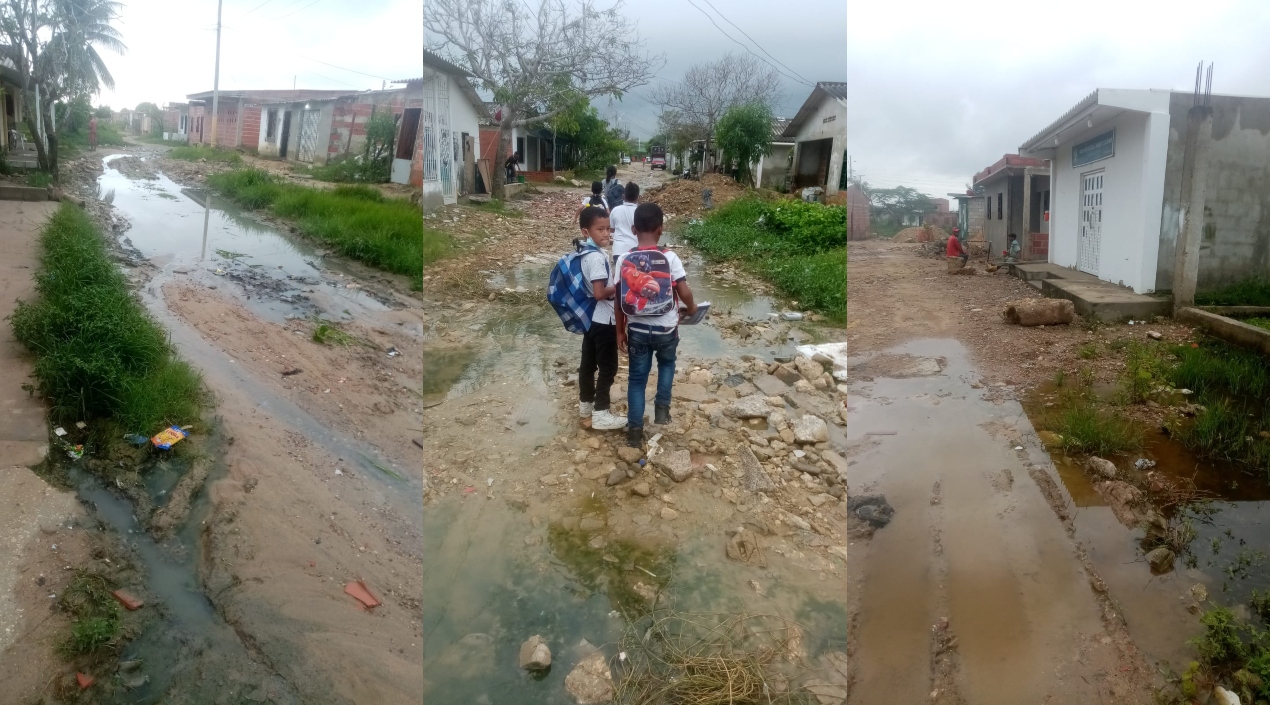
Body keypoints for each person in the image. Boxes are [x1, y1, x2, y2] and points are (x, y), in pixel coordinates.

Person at [615, 203, 696, 448]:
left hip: (638, 331)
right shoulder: (670, 257)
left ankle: (635, 432)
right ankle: (662, 411)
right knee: (667, 365)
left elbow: (619, 302)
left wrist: (619, 330)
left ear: (633, 229)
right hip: (667, 330)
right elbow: (683, 291)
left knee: (637, 380)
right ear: (661, 229)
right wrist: (691, 309)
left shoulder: (624, 260)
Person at [575, 206, 628, 431]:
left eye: (608, 229)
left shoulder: (583, 252)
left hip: (590, 318)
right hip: (604, 319)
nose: (606, 234)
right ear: (586, 232)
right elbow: (599, 293)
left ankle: (586, 405)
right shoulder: (597, 257)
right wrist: (618, 286)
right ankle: (601, 413)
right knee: (607, 367)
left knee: (587, 364)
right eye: (600, 229)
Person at [608, 181, 640, 263]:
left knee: (620, 274)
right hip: (636, 250)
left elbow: (611, 230)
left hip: (618, 251)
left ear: (623, 196)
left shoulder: (615, 210)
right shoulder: (641, 212)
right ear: (637, 197)